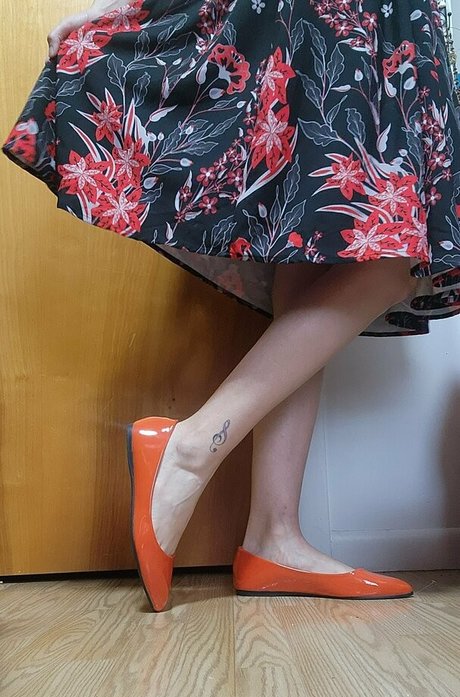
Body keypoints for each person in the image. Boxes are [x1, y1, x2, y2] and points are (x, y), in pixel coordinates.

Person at [3, 0, 460, 611]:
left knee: (314, 250)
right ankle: (191, 448)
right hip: (351, 20)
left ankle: (274, 537)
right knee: (389, 260)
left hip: (362, 24)